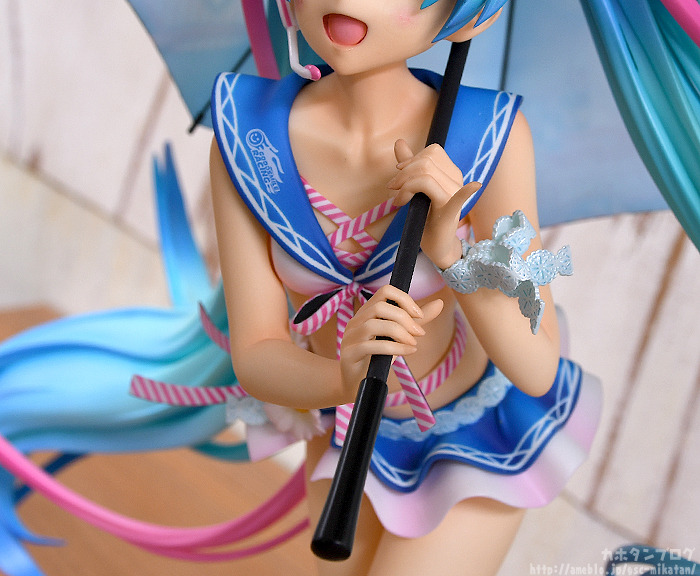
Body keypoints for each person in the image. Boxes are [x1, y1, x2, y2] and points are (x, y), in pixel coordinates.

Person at [208, 0, 600, 573]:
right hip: (343, 431)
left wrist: (450, 252)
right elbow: (256, 352)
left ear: (472, 15)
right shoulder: (247, 133)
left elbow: (537, 366)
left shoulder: (485, 135)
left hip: (470, 442)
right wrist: (341, 378)